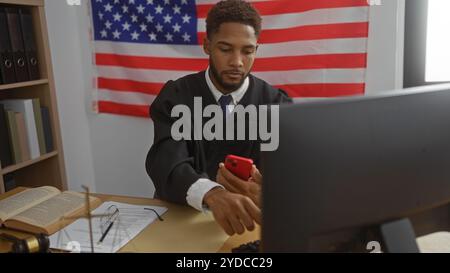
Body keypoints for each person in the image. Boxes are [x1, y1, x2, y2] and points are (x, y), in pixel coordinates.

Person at [145, 0, 292, 236]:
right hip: (181, 220)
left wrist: (270, 195)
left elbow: (290, 177)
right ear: (207, 45)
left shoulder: (276, 104)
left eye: (247, 51)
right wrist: (213, 194)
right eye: (225, 49)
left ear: (257, 49)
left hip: (247, 225)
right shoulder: (176, 96)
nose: (237, 62)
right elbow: (165, 162)